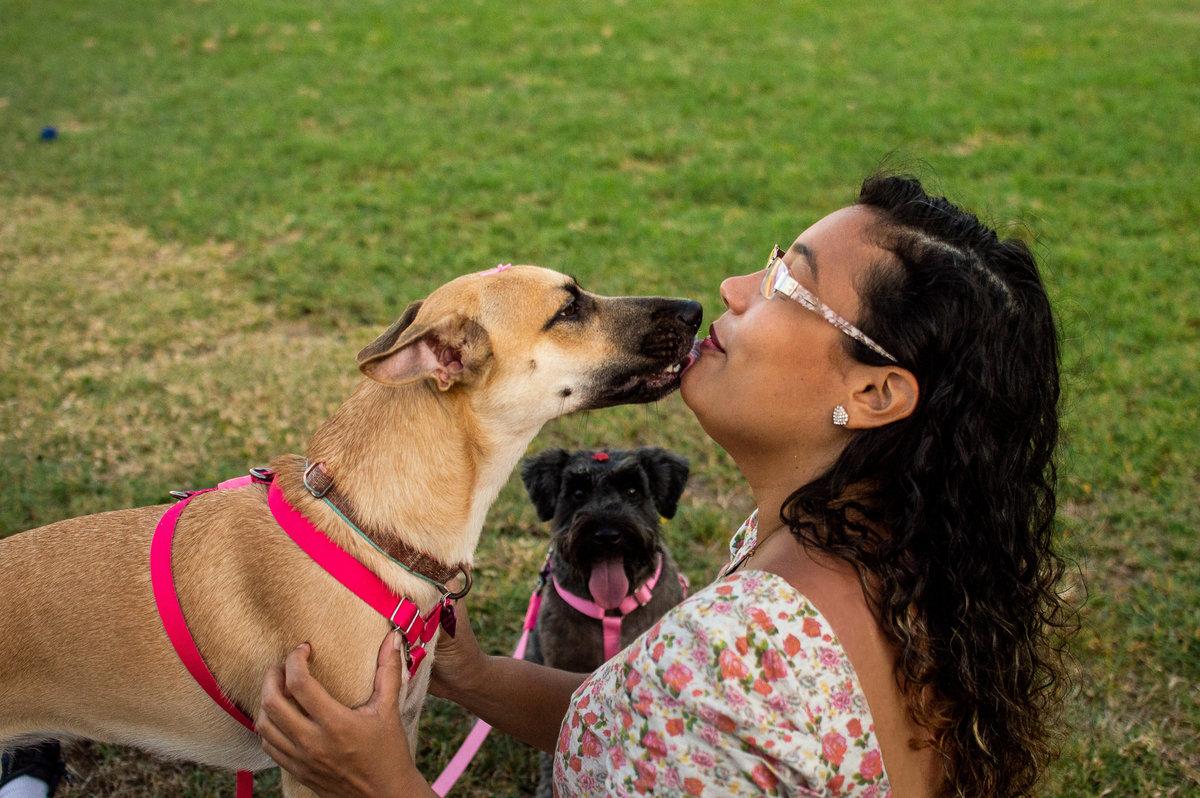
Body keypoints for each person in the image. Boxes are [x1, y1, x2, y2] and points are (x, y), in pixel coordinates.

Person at [255, 173, 1075, 798]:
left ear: (874, 394)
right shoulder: (870, 546)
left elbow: (693, 702)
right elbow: (641, 725)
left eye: (788, 285)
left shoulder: (737, 649)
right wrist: (473, 676)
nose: (733, 290)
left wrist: (384, 783)